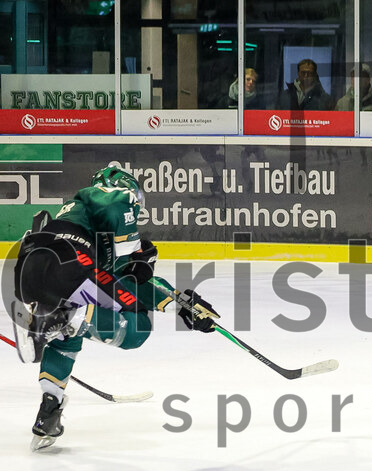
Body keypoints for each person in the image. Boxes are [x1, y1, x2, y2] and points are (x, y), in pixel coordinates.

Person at [10, 165, 219, 450]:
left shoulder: (77, 216)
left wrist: (179, 303)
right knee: (137, 328)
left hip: (29, 275)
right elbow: (136, 285)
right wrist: (181, 304)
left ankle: (50, 408)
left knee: (64, 335)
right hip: (71, 266)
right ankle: (75, 317)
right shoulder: (112, 197)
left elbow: (127, 282)